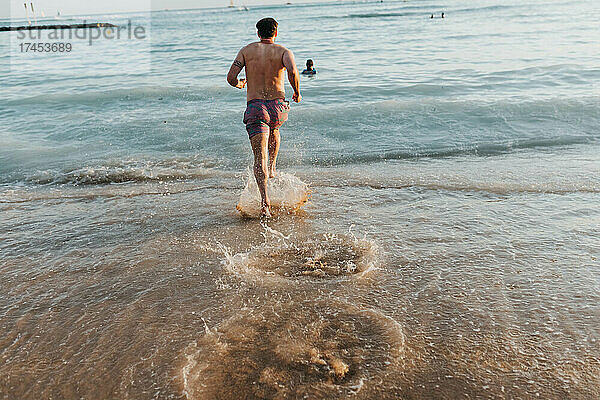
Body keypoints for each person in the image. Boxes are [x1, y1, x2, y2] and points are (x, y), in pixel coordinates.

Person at [227, 17, 302, 218]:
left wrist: (240, 84)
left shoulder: (246, 51)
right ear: (275, 33)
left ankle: (265, 204)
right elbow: (293, 72)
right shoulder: (284, 51)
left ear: (258, 33)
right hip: (278, 107)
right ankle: (273, 166)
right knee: (275, 129)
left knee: (258, 156)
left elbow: (230, 77)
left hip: (256, 107)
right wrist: (296, 92)